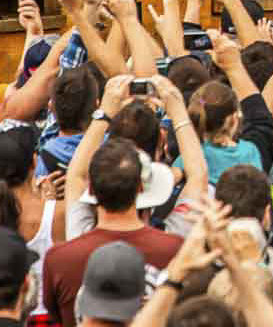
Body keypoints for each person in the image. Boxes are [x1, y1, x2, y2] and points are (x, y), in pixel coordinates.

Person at [41, 138, 181, 326]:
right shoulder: (176, 251)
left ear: (90, 189)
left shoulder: (58, 258)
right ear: (141, 188)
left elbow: (55, 315)